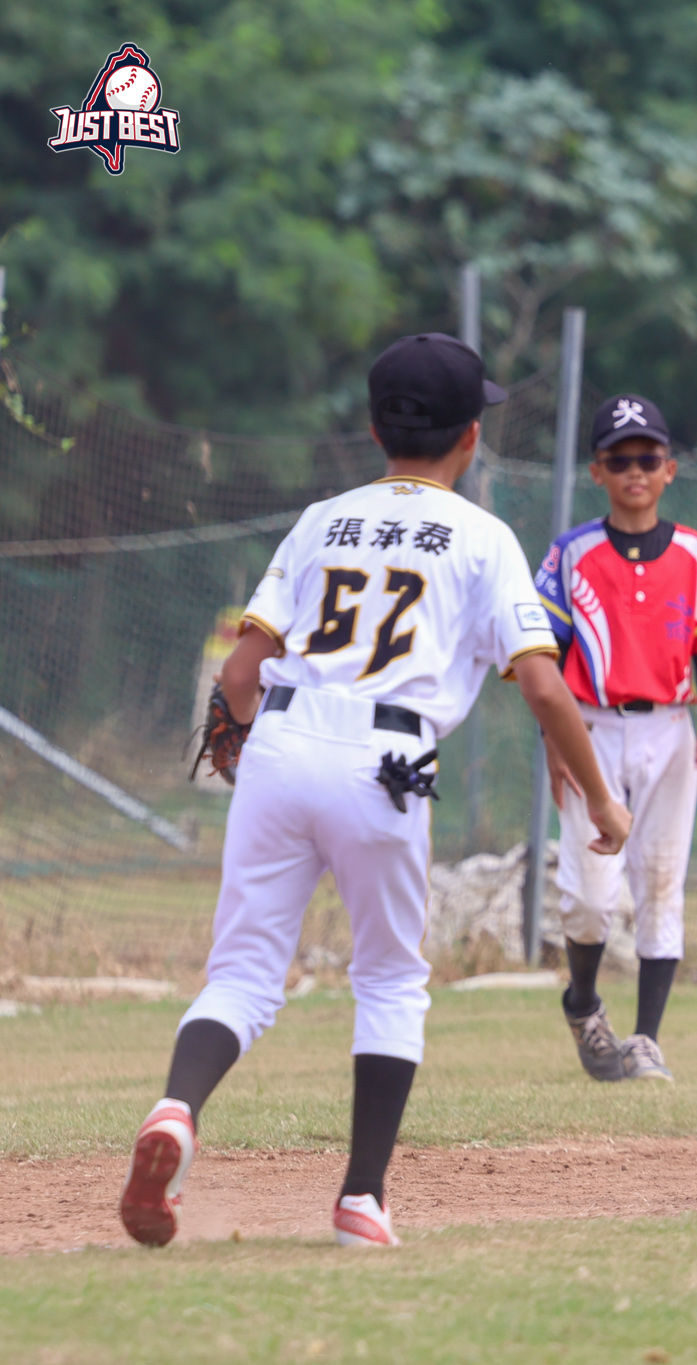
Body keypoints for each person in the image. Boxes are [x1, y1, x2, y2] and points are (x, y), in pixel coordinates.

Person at [119, 334, 631, 1249]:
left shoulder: (321, 519)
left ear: (373, 429)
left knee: (242, 974)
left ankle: (176, 1108)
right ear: (471, 436)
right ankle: (361, 1198)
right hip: (387, 760)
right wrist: (602, 798)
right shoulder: (483, 537)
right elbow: (544, 686)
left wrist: (249, 758)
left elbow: (239, 671)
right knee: (390, 979)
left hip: (282, 738)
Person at [534, 394, 697, 1084]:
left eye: (648, 458)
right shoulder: (571, 553)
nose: (635, 470)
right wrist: (553, 740)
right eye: (619, 459)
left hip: (669, 727)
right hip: (588, 727)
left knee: (660, 879)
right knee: (589, 897)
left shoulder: (694, 552)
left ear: (669, 468)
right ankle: (582, 1000)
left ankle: (646, 1038)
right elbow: (543, 654)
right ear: (597, 470)